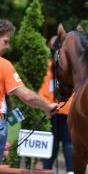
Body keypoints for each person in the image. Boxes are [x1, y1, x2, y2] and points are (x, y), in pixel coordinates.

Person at [0, 19, 58, 164]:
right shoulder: (4, 65)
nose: (8, 46)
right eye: (5, 41)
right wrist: (47, 106)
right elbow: (26, 95)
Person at [38, 36, 74, 174]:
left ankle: (66, 170)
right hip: (58, 109)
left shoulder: (56, 67)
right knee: (58, 141)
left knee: (64, 142)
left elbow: (43, 89)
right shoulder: (63, 67)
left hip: (59, 109)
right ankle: (52, 168)